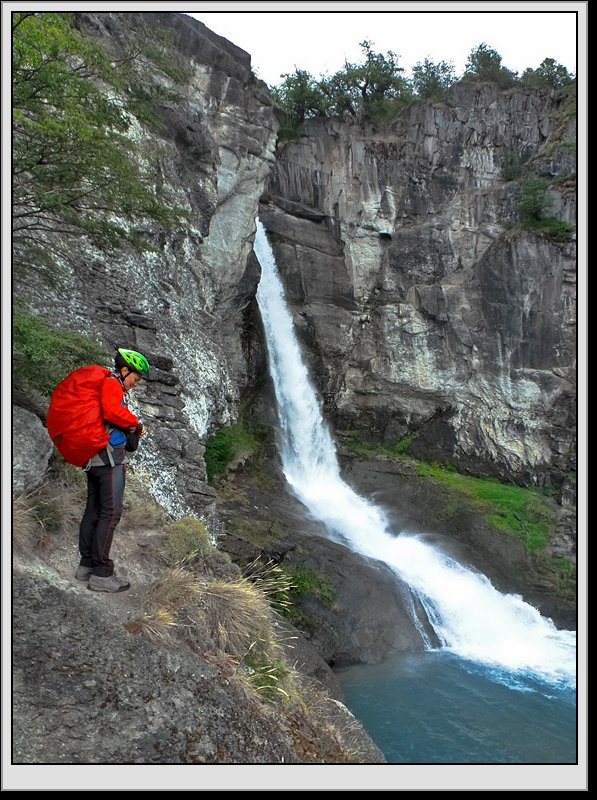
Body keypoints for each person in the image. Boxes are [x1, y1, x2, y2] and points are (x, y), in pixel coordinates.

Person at [75, 348, 149, 593]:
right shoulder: (112, 385)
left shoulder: (104, 386)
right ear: (125, 370)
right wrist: (134, 424)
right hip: (108, 460)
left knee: (94, 511)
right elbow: (112, 412)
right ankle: (102, 574)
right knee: (111, 514)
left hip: (94, 458)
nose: (136, 384)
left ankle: (86, 565)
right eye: (136, 378)